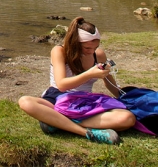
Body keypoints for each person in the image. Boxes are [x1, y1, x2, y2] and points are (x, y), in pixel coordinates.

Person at [18, 17, 135, 145]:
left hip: (84, 102)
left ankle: (58, 121)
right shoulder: (60, 51)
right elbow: (62, 84)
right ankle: (86, 133)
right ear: (75, 43)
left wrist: (128, 99)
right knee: (25, 102)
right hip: (57, 98)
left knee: (127, 118)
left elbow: (110, 84)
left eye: (95, 47)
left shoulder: (99, 55)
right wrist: (89, 73)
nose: (92, 51)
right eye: (87, 48)